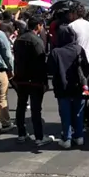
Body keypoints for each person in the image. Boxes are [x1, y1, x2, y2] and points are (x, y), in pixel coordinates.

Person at [12, 16, 53, 145]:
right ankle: (39, 137)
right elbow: (41, 63)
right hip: (35, 79)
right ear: (39, 26)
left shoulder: (19, 39)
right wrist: (45, 82)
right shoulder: (37, 41)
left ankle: (21, 133)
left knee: (21, 106)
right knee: (36, 109)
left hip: (21, 78)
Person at [48, 25, 89, 149]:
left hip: (62, 87)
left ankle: (66, 138)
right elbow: (86, 67)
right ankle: (79, 136)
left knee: (65, 113)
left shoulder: (56, 52)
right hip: (79, 86)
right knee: (79, 112)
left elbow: (50, 69)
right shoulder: (78, 49)